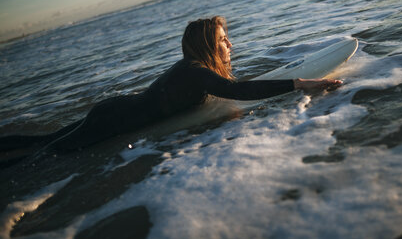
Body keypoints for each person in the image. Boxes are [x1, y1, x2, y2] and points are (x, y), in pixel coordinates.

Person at [0, 16, 341, 154]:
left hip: (113, 111)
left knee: (43, 143)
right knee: (43, 154)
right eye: (224, 39)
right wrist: (301, 83)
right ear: (210, 44)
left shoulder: (195, 68)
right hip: (112, 120)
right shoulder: (196, 71)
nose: (231, 45)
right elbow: (239, 92)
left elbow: (227, 90)